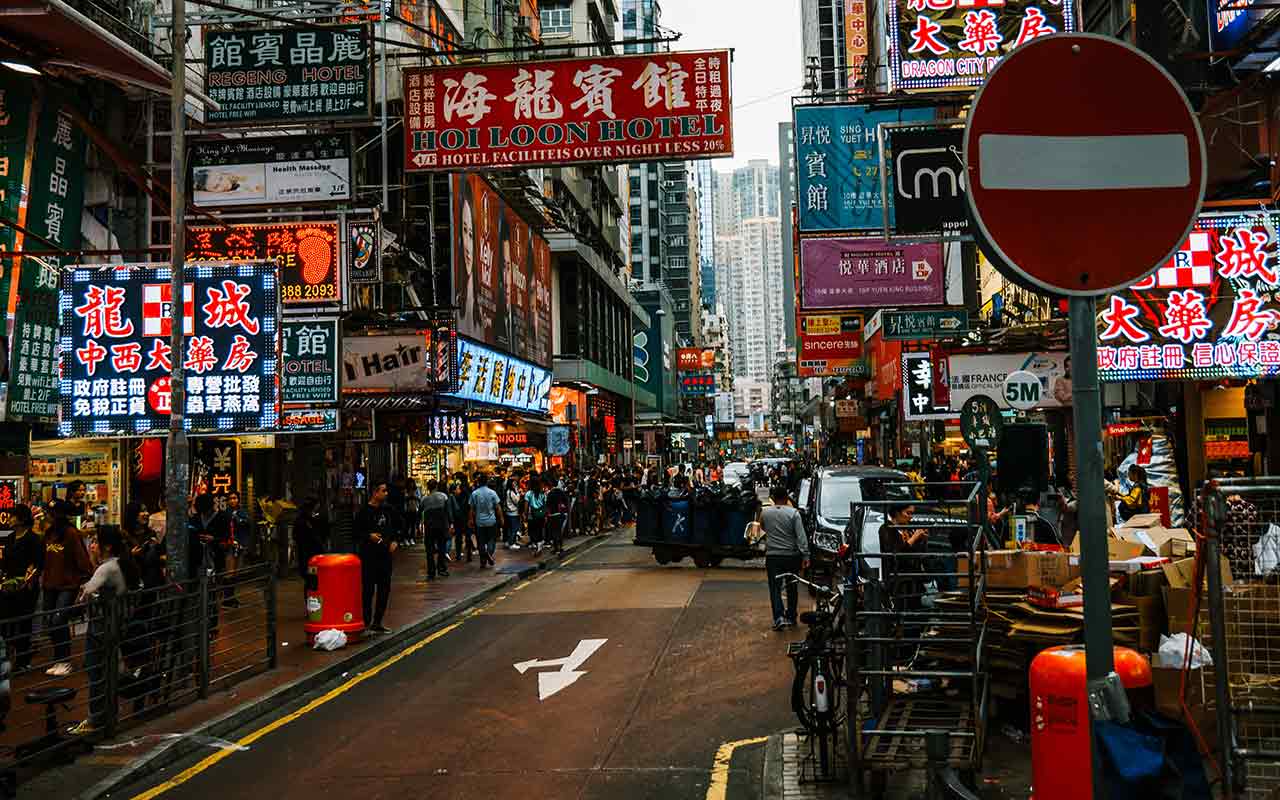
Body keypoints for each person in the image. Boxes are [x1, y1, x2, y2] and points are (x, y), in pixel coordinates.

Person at [68, 524, 140, 736]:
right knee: (108, 671)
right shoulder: (123, 564)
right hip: (118, 626)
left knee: (96, 673)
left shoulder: (107, 568)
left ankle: (95, 719)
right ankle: (108, 714)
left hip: (101, 629)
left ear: (107, 546)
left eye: (96, 542)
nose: (93, 545)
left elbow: (85, 594)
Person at [41, 513, 93, 676]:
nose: (46, 517)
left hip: (68, 585)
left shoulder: (71, 534)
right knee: (50, 621)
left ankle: (64, 660)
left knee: (59, 620)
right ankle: (58, 659)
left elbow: (81, 559)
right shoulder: (48, 534)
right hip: (50, 584)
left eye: (50, 514)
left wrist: (83, 581)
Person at [761, 485, 810, 631]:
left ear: (773, 499)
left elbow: (763, 528)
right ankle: (791, 616)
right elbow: (801, 537)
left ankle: (779, 617)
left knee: (775, 588)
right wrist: (806, 555)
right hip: (791, 556)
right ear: (787, 498)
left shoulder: (765, 513)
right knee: (792, 586)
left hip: (773, 556)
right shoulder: (794, 514)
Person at [1, 505, 43, 672]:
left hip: (27, 588)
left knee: (24, 622)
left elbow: (38, 564)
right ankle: (9, 655)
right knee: (6, 622)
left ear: (21, 519)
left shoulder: (34, 539)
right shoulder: (10, 538)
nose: (9, 519)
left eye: (12, 516)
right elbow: (5, 562)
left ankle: (23, 660)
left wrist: (27, 582)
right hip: (8, 587)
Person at [355, 482, 396, 634]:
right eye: (383, 491)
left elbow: (398, 526)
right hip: (369, 556)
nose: (386, 494)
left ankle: (377, 622)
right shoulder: (364, 512)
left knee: (384, 590)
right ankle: (365, 622)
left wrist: (395, 541)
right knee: (368, 590)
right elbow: (356, 532)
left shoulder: (388, 510)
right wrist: (369, 536)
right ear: (374, 492)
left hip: (385, 557)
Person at [468, 473, 501, 568]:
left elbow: (471, 509)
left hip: (479, 522)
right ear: (487, 482)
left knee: (481, 541)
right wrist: (501, 518)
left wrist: (470, 520)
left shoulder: (474, 493)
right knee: (491, 540)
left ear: (478, 482)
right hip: (491, 521)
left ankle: (483, 560)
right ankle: (489, 554)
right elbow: (498, 507)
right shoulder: (492, 493)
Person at [292, 499, 329, 581]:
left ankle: (311, 587)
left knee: (310, 576)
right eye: (315, 508)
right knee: (312, 577)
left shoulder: (304, 520)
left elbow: (295, 536)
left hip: (306, 556)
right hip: (310, 556)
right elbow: (315, 538)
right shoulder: (307, 522)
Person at [421, 480, 452, 580]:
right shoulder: (443, 496)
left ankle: (431, 572)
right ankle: (441, 568)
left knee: (429, 551)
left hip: (429, 527)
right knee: (442, 548)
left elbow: (420, 512)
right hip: (441, 526)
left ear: (428, 487)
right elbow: (448, 511)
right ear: (436, 486)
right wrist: (450, 523)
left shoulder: (424, 499)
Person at [523, 477, 549, 553]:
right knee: (540, 529)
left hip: (532, 515)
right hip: (541, 514)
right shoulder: (542, 493)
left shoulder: (529, 493)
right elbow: (545, 504)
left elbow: (526, 506)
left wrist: (525, 515)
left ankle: (536, 544)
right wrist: (546, 514)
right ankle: (539, 543)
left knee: (532, 530)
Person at [546, 475, 570, 556]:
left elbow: (547, 505)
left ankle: (557, 548)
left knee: (554, 532)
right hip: (560, 514)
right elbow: (566, 501)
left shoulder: (550, 494)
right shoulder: (560, 492)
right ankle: (560, 547)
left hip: (553, 514)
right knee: (559, 531)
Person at [504, 477, 524, 550]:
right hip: (513, 512)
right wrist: (520, 494)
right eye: (514, 482)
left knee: (511, 528)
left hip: (510, 513)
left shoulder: (509, 491)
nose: (515, 484)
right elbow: (517, 501)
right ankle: (511, 544)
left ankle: (511, 542)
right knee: (514, 528)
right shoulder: (511, 492)